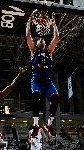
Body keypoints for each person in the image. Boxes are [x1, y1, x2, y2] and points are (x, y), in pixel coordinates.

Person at [26, 9, 60, 137]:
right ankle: (35, 124)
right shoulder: (33, 51)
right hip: (36, 81)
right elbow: (28, 36)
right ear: (37, 43)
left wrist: (54, 24)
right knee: (36, 97)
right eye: (39, 40)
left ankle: (49, 123)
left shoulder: (49, 52)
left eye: (42, 40)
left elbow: (56, 37)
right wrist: (29, 22)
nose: (41, 40)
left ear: (44, 44)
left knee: (56, 98)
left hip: (47, 81)